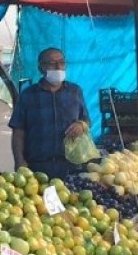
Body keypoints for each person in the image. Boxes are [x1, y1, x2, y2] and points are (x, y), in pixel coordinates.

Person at [9, 47, 91, 179]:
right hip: (38, 167)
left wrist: (81, 125)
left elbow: (86, 119)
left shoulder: (75, 91)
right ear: (41, 68)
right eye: (52, 63)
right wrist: (19, 160)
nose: (58, 67)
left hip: (71, 166)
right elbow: (18, 131)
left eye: (62, 62)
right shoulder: (28, 95)